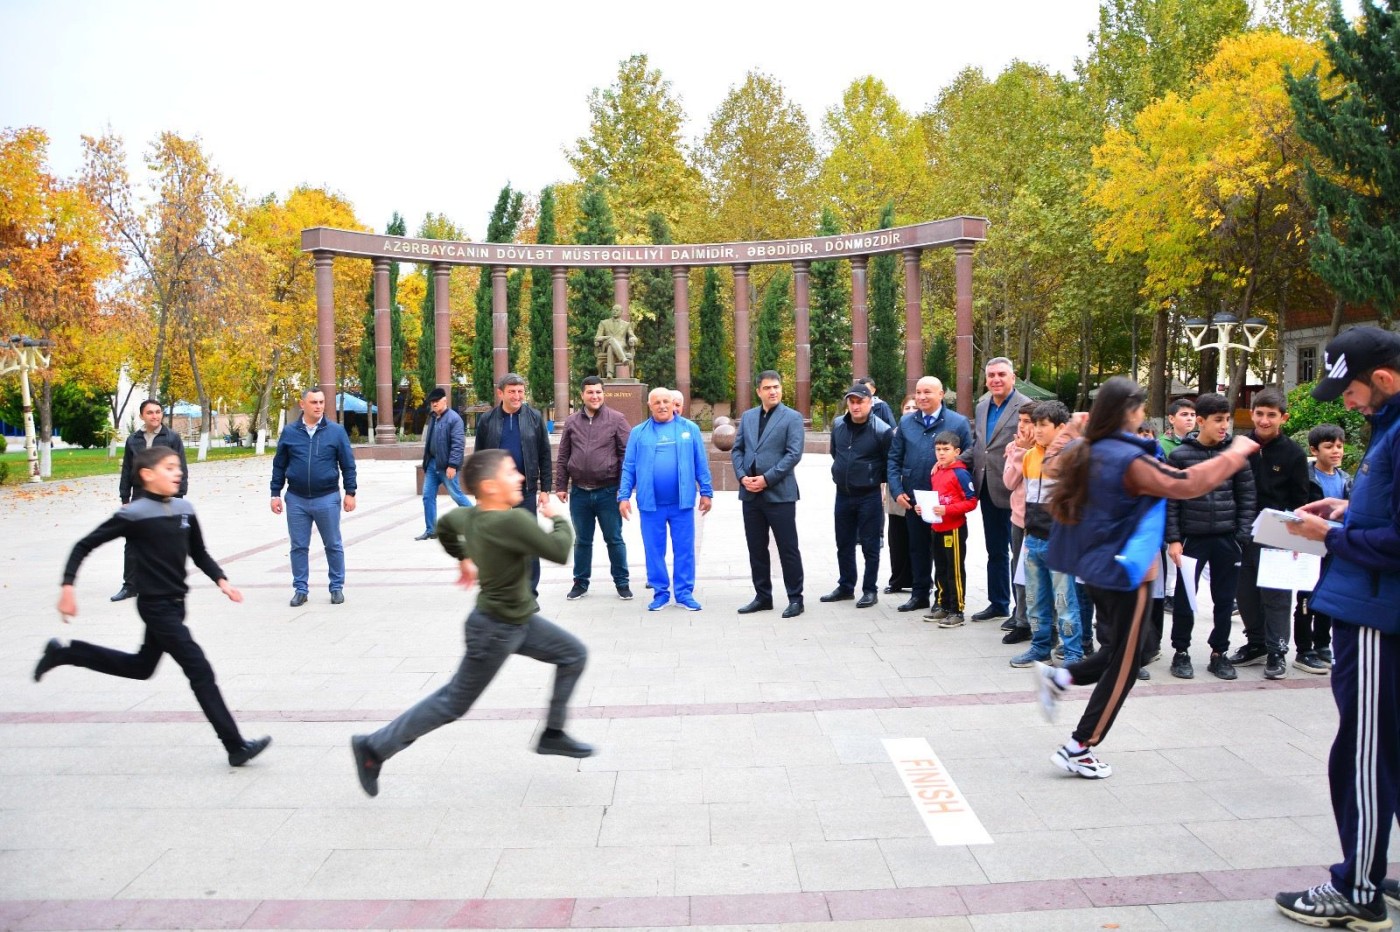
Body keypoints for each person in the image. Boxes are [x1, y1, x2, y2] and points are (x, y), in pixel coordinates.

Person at [1036, 377, 1258, 780]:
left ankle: (1061, 676)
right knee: (1125, 664)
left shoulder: (1089, 449)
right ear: (1129, 412)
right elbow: (1187, 485)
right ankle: (1079, 746)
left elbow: (1050, 462)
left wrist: (1072, 430)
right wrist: (1236, 452)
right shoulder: (1125, 457)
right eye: (1139, 410)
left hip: (1101, 567)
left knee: (1134, 648)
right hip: (1126, 572)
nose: (1142, 417)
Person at [350, 449, 592, 798]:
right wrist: (558, 518)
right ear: (491, 486)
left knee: (573, 654)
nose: (520, 478)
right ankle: (373, 748)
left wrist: (463, 558)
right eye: (512, 473)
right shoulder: (513, 521)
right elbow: (559, 550)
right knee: (452, 703)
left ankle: (553, 734)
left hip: (518, 621)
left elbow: (445, 526)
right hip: (495, 630)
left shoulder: (471, 516)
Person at [1274, 327, 1400, 929]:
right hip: (1374, 605)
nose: (1345, 404)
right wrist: (1349, 508)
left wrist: (1334, 536)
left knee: (1365, 753)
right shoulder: (1390, 427)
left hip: (1378, 614)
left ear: (1383, 379)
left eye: (1349, 390)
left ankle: (1358, 887)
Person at [35, 446, 270, 767]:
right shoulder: (133, 515)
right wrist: (67, 587)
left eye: (179, 467)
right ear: (147, 475)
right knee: (199, 669)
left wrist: (222, 580)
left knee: (141, 668)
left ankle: (65, 652)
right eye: (170, 468)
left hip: (175, 605)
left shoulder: (185, 509)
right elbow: (83, 545)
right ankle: (235, 745)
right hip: (156, 607)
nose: (179, 472)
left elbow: (198, 553)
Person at [1164, 393, 1257, 681]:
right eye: (1218, 420)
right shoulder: (1180, 456)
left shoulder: (1234, 456)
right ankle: (1181, 652)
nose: (1224, 426)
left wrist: (1241, 535)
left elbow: (1247, 497)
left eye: (1227, 420)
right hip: (1192, 539)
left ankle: (1219, 652)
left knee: (1225, 599)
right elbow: (1172, 500)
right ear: (1200, 421)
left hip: (1227, 539)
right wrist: (1175, 539)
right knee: (1184, 599)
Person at [1231, 388, 1310, 680]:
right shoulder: (1238, 447)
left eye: (1271, 415)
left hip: (1277, 534)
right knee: (1245, 593)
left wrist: (1294, 538)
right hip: (1241, 532)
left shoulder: (1293, 453)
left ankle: (1277, 650)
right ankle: (1256, 643)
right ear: (1252, 414)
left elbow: (1301, 501)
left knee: (1275, 596)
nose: (1264, 420)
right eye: (1260, 414)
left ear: (1283, 418)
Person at [618, 388, 714, 612]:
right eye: (657, 402)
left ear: (674, 404)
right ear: (649, 406)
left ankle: (683, 593)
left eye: (666, 401)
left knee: (684, 549)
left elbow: (701, 463)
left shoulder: (689, 429)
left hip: (682, 504)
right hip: (650, 505)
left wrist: (707, 492)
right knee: (654, 550)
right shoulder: (638, 433)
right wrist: (624, 496)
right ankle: (660, 593)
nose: (662, 405)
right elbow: (629, 466)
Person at [887, 377, 974, 613]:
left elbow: (970, 453)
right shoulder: (906, 422)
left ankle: (944, 599)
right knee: (917, 547)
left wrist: (950, 467)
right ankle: (919, 594)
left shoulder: (958, 422)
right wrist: (897, 491)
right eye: (918, 392)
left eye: (927, 392)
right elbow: (894, 459)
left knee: (944, 553)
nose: (922, 397)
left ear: (941, 394)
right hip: (915, 498)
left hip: (946, 502)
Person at [1008, 401, 1084, 666]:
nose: (1036, 430)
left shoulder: (1072, 457)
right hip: (1034, 537)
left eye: (1043, 425)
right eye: (1034, 424)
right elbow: (1025, 495)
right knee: (1035, 600)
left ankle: (1073, 653)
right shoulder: (1030, 456)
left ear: (1061, 427)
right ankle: (1040, 647)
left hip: (1061, 540)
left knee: (1064, 601)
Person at [270, 388, 357, 607]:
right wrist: (275, 494)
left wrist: (350, 492)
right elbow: (279, 465)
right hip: (296, 498)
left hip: (327, 497)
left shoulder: (336, 432)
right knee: (299, 546)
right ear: (303, 405)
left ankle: (336, 587)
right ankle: (301, 589)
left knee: (333, 544)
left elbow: (348, 464)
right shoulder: (290, 433)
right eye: (313, 402)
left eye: (321, 402)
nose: (318, 406)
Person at [733, 370, 806, 618]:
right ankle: (763, 596)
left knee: (788, 548)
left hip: (780, 494)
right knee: (756, 547)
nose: (773, 391)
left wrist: (766, 479)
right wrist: (743, 477)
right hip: (751, 495)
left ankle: (796, 598)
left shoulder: (792, 418)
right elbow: (738, 449)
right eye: (767, 388)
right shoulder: (748, 417)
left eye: (776, 387)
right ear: (758, 391)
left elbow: (793, 454)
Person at [473, 373, 553, 595]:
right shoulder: (487, 420)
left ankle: (529, 592)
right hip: (494, 493)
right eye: (512, 392)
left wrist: (545, 489)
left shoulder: (534, 417)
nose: (517, 396)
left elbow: (544, 455)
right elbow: (479, 456)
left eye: (520, 391)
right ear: (501, 393)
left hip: (524, 491)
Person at [555, 375, 632, 601]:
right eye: (590, 392)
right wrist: (560, 485)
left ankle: (622, 582)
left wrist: (624, 490)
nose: (595, 396)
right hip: (579, 492)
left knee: (614, 539)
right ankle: (580, 582)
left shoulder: (617, 419)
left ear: (603, 393)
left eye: (598, 392)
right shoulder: (571, 422)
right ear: (582, 395)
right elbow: (563, 455)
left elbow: (626, 455)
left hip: (608, 492)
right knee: (582, 541)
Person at [970, 357, 1031, 623]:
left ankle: (1022, 612)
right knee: (994, 550)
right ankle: (998, 603)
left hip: (1015, 489)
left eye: (1001, 375)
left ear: (1013, 377)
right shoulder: (982, 406)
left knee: (1018, 554)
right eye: (991, 375)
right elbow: (980, 446)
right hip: (987, 488)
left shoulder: (1026, 406)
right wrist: (953, 462)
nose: (996, 379)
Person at [822, 383, 892, 609]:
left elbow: (887, 463)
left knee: (870, 545)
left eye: (860, 401)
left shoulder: (882, 430)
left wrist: (872, 479)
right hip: (842, 494)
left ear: (870, 402)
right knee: (843, 542)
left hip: (869, 495)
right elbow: (836, 453)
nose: (855, 406)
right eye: (851, 402)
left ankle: (870, 589)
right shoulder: (838, 425)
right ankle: (845, 586)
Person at [112, 398, 189, 602]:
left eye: (158, 412)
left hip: (165, 496)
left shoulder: (171, 437)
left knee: (165, 540)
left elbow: (181, 468)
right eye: (150, 413)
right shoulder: (133, 440)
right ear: (142, 416)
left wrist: (178, 496)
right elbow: (127, 469)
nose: (155, 416)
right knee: (133, 541)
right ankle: (130, 586)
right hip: (139, 495)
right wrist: (124, 497)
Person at [1292, 425, 1351, 675]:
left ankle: (1322, 644)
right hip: (1309, 544)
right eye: (1329, 446)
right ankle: (1304, 650)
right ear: (1314, 450)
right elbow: (1295, 508)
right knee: (1307, 598)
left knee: (1328, 596)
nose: (1335, 451)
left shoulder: (1347, 479)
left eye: (1339, 446)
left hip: (1335, 544)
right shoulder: (1305, 477)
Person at [922, 430, 978, 628]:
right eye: (938, 449)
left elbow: (971, 502)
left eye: (946, 449)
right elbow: (936, 498)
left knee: (954, 569)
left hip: (954, 528)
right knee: (941, 568)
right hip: (937, 527)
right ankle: (942, 605)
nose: (941, 453)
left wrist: (947, 509)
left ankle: (957, 609)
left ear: (957, 451)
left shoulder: (961, 473)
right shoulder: (937, 471)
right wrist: (925, 507)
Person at [999, 401, 1039, 645]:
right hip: (1019, 518)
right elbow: (1009, 481)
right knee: (1020, 572)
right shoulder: (1014, 447)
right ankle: (1021, 619)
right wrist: (1020, 452)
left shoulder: (1050, 448)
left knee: (1041, 574)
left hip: (1043, 521)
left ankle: (1042, 623)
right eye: (1021, 421)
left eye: (1028, 422)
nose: (1023, 427)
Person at [417, 387, 473, 541]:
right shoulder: (433, 418)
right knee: (427, 496)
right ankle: (431, 530)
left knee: (457, 496)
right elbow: (430, 443)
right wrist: (427, 463)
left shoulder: (454, 419)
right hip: (432, 464)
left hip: (447, 466)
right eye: (432, 402)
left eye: (436, 401)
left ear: (445, 400)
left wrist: (453, 465)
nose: (434, 404)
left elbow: (458, 444)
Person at [884, 395, 918, 594]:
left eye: (915, 407)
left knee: (918, 539)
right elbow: (888, 463)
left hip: (917, 493)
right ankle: (897, 579)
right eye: (908, 407)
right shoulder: (893, 433)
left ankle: (920, 580)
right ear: (901, 410)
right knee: (896, 539)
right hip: (896, 491)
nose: (911, 410)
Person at [594, 304, 637, 378]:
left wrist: (632, 339)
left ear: (621, 312)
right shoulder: (604, 323)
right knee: (611, 340)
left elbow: (634, 337)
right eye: (613, 310)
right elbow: (597, 338)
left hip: (620, 346)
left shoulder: (626, 324)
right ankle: (623, 358)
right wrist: (607, 337)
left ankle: (609, 373)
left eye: (617, 310)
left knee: (611, 347)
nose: (614, 312)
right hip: (606, 344)